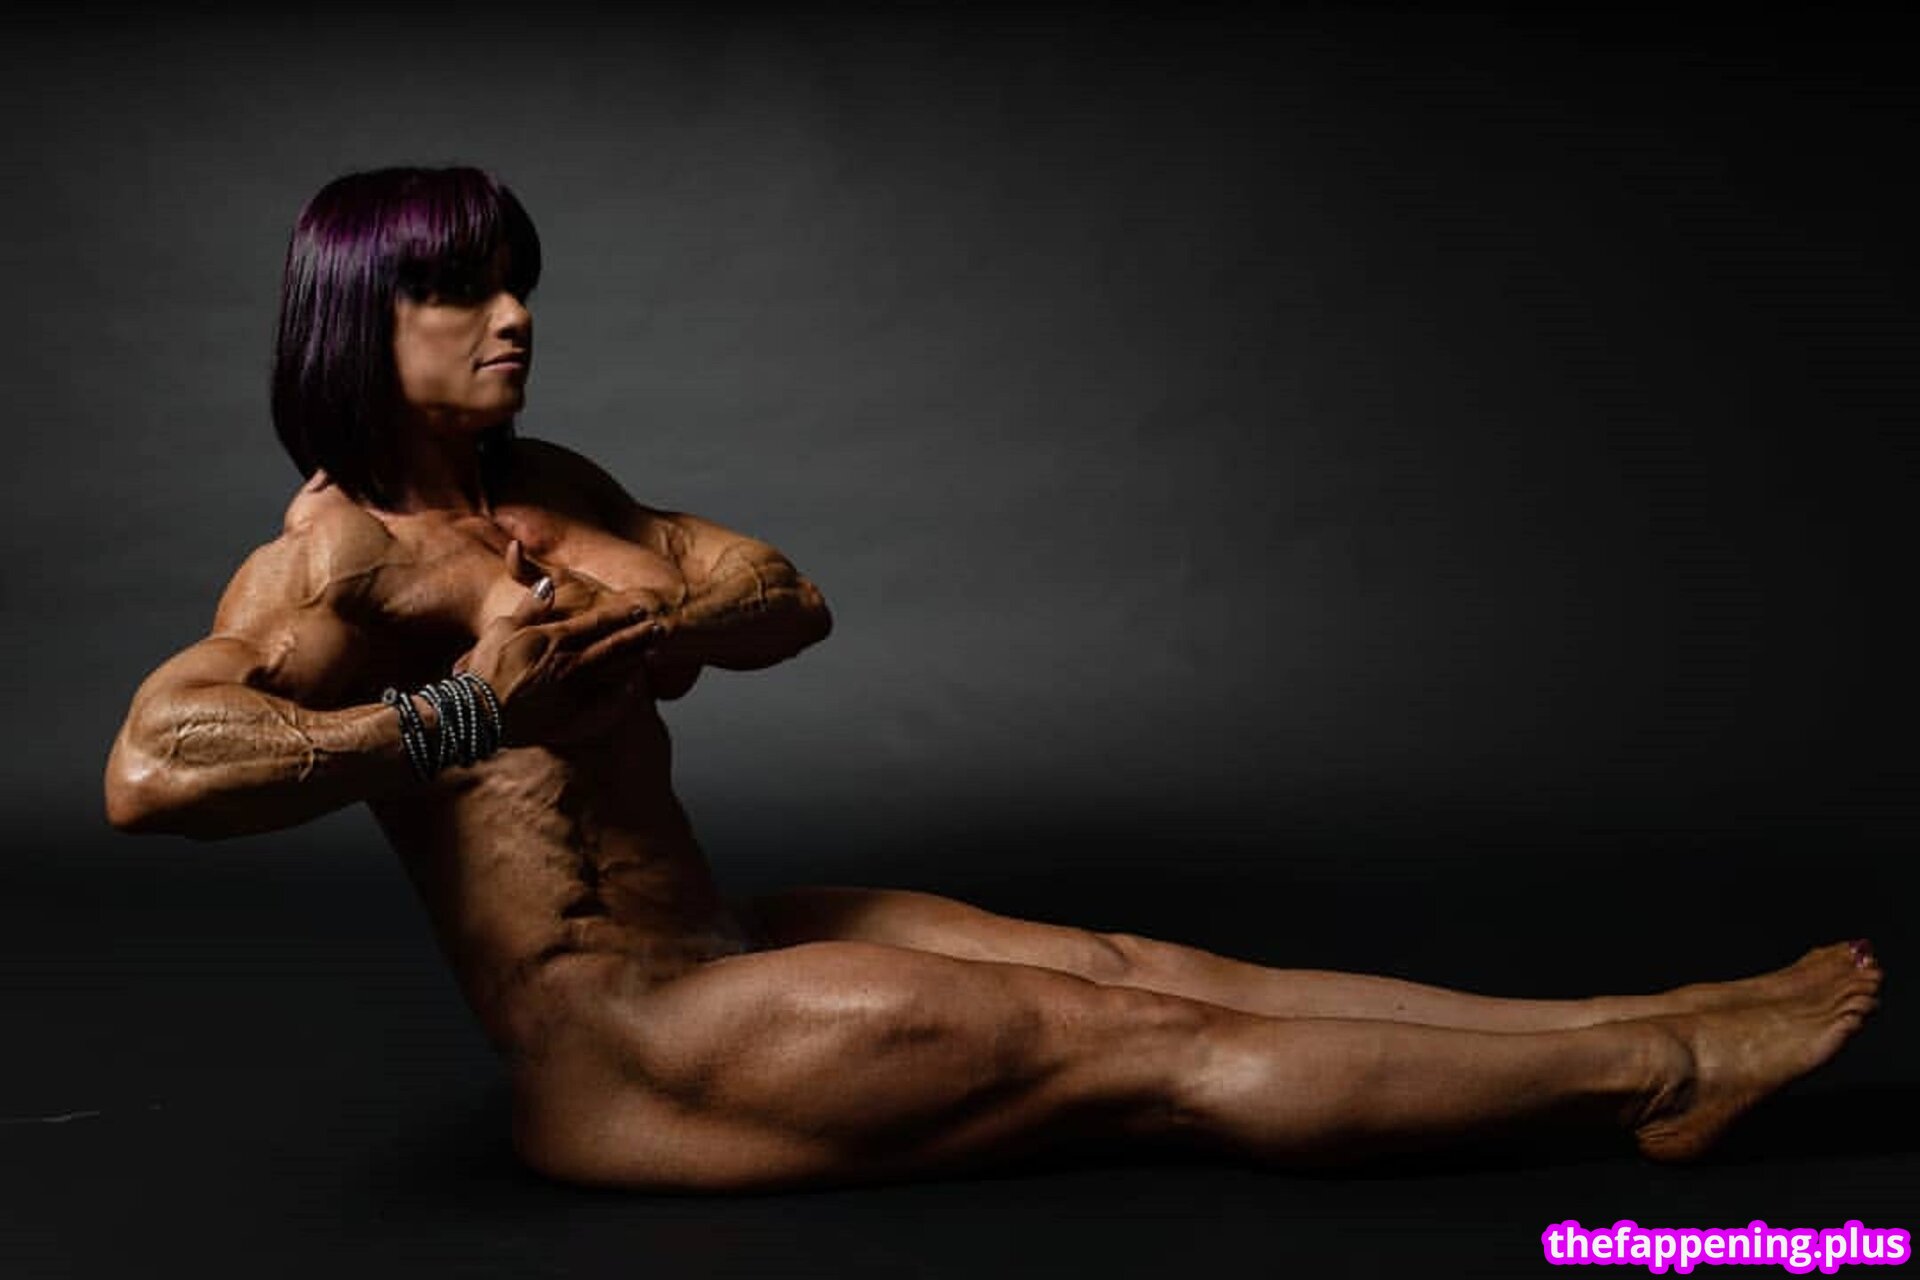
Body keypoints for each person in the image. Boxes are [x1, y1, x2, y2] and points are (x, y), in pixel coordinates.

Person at [104, 166, 1881, 1192]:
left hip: (729, 942)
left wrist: (664, 628)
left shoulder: (553, 487)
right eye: (464, 295)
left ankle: (1637, 1009)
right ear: (360, 318)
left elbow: (782, 591)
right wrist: (466, 710)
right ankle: (1654, 1074)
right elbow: (153, 774)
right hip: (625, 1044)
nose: (516, 319)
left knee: (1142, 963)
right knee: (1152, 1049)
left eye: (520, 286)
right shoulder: (335, 562)